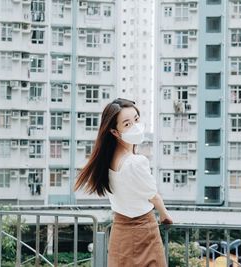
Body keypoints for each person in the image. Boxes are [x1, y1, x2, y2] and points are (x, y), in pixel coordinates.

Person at [74, 98, 173, 266]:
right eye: (127, 124)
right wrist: (165, 215)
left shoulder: (106, 161)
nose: (135, 126)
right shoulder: (135, 162)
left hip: (120, 230)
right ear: (114, 132)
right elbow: (154, 197)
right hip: (144, 230)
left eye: (136, 119)